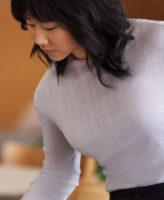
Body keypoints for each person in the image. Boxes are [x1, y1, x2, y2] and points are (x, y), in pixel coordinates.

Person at [10, 0, 164, 200]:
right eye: (30, 26)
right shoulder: (49, 92)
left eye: (49, 27)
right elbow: (57, 174)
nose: (39, 39)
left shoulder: (156, 40)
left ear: (84, 14)